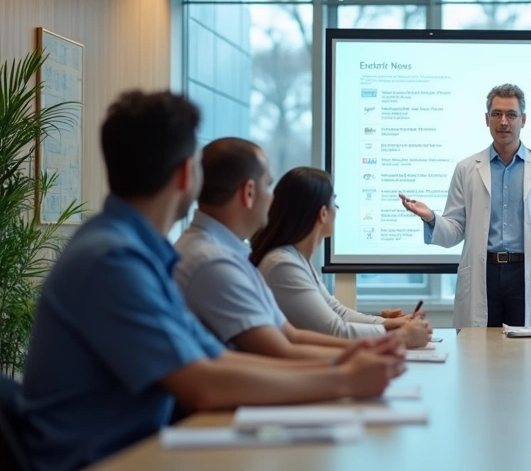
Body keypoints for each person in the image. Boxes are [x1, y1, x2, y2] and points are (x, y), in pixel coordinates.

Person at [17, 92, 405, 471]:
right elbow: (203, 384)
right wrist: (342, 379)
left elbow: (217, 358)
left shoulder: (135, 250)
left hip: (138, 447)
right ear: (188, 174)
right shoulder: (113, 259)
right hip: (107, 458)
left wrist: (343, 364)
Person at [175, 137, 432, 355]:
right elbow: (286, 348)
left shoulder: (229, 253)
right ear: (249, 192)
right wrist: (395, 339)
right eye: (268, 185)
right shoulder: (215, 260)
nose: (271, 198)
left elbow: (293, 336)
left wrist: (391, 327)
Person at [399, 84, 531, 328]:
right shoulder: (466, 169)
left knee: (528, 353)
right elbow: (455, 229)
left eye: (511, 115)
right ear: (487, 119)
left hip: (524, 273)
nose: (504, 122)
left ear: (523, 120)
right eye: (497, 114)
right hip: (483, 272)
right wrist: (431, 218)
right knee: (480, 352)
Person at [251, 167, 425, 339]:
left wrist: (391, 324)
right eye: (334, 202)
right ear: (323, 214)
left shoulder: (294, 257)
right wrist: (400, 335)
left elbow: (337, 312)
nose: (338, 209)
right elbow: (335, 330)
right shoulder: (283, 264)